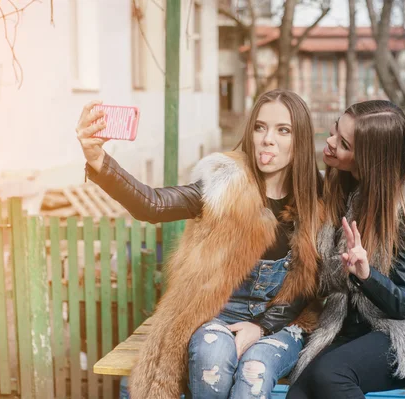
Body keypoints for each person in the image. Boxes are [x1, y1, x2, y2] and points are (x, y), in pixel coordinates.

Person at [75, 89, 323, 399]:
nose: (267, 139)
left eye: (282, 130)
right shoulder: (224, 181)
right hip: (217, 314)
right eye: (260, 127)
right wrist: (98, 159)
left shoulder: (319, 198)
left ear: (299, 139)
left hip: (282, 322)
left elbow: (310, 286)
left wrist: (260, 326)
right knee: (212, 359)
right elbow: (152, 205)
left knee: (254, 371)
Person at [287, 100, 405, 399]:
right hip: (348, 323)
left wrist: (366, 275)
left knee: (331, 375)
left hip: (403, 333)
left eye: (343, 144)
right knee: (301, 388)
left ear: (367, 160)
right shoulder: (342, 184)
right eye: (336, 129)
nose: (329, 142)